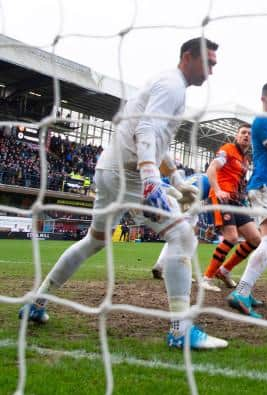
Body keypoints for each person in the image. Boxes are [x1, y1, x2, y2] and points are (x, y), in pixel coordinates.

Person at [19, 38, 228, 350]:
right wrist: (150, 178)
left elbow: (157, 140)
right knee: (183, 236)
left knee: (94, 241)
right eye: (209, 62)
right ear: (188, 56)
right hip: (128, 175)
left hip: (109, 170)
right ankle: (181, 330)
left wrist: (177, 180)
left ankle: (37, 301)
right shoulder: (172, 86)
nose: (212, 70)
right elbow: (145, 130)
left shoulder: (168, 84)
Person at [226, 81, 267, 318]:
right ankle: (241, 291)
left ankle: (244, 290)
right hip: (265, 185)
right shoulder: (262, 121)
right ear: (263, 99)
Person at [201, 123, 261, 289]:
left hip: (236, 202)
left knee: (256, 239)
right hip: (221, 199)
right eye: (243, 133)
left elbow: (241, 184)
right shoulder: (227, 149)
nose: (246, 136)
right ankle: (207, 278)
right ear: (237, 136)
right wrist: (218, 190)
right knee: (231, 238)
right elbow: (212, 169)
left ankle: (225, 270)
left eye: (249, 134)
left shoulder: (245, 160)